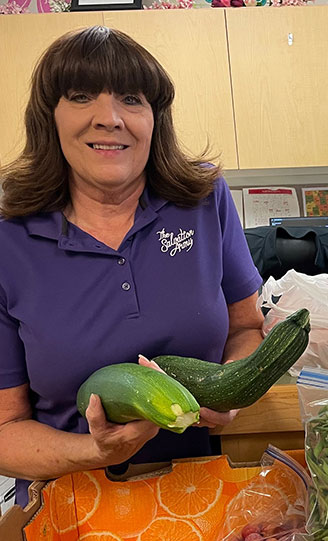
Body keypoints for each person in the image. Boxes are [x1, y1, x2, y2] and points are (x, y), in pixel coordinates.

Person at [0, 26, 264, 505]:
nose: (110, 118)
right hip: (70, 511)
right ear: (49, 118)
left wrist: (231, 394)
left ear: (155, 118)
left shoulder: (203, 201)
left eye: (131, 98)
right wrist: (92, 450)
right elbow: (3, 430)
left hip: (197, 497)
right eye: (81, 96)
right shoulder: (8, 239)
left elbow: (247, 328)